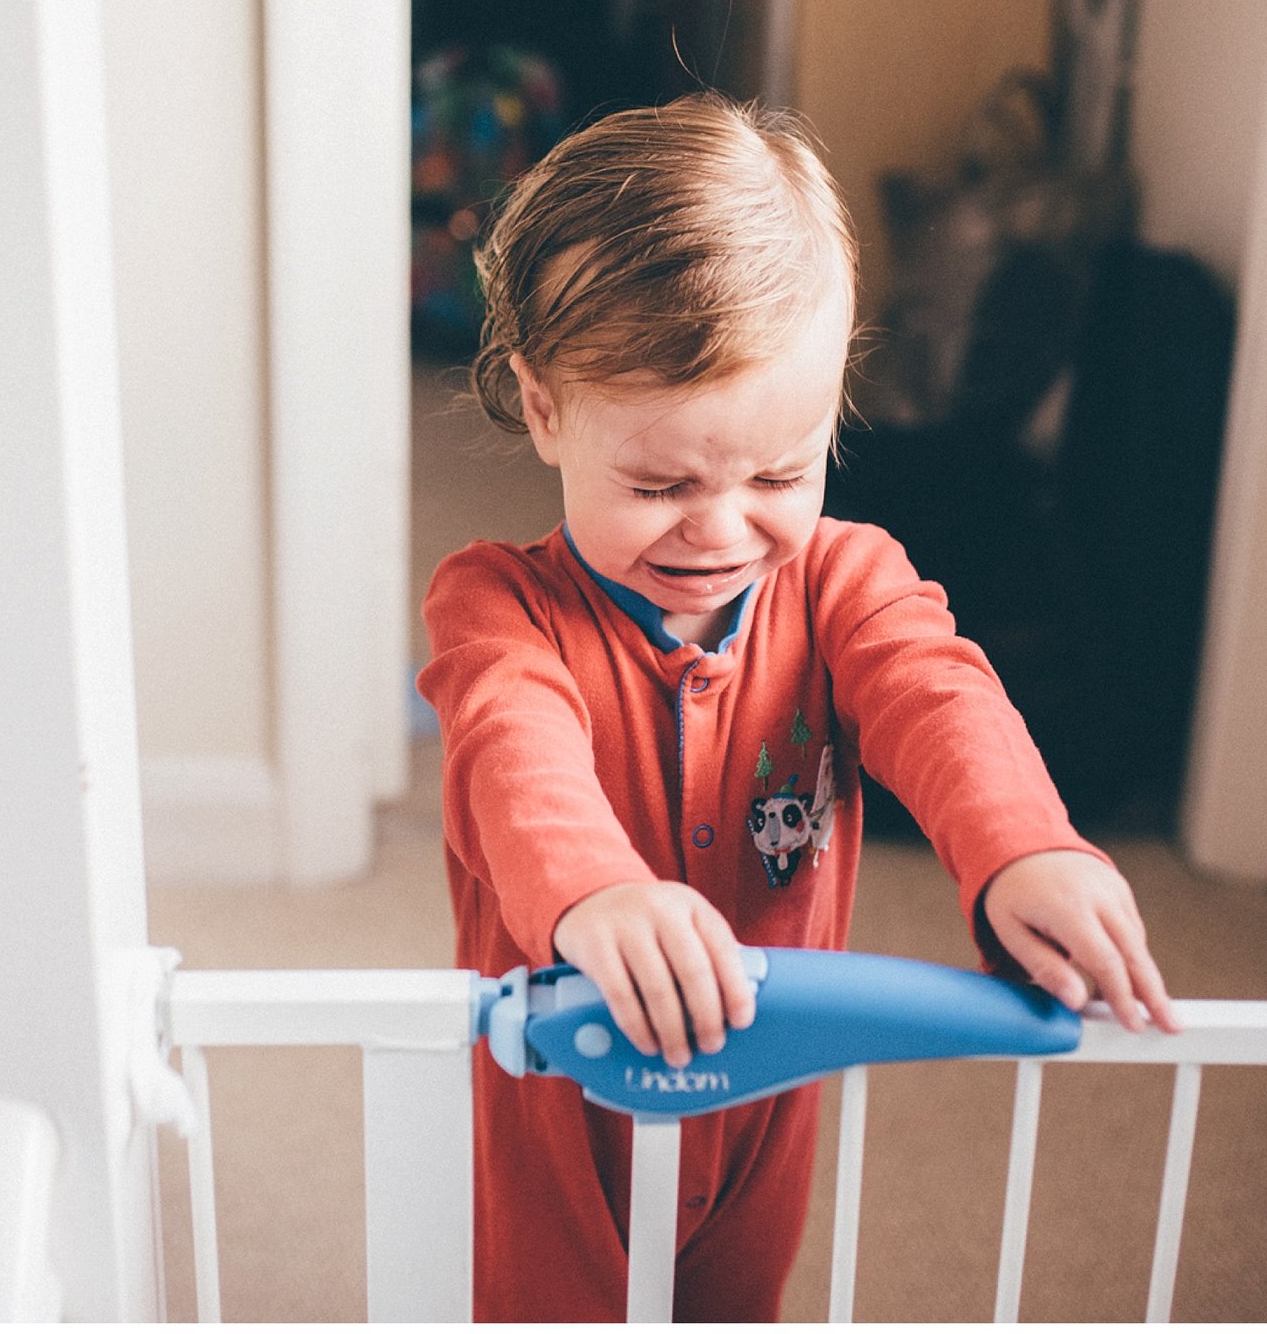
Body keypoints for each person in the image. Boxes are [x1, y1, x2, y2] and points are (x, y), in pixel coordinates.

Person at [418, 93, 1181, 1322]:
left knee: (736, 1301)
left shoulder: (843, 579)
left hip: (769, 1075)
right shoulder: (495, 605)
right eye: (660, 480)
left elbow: (939, 699)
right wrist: (597, 892)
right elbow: (514, 753)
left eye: (780, 471)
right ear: (545, 408)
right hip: (555, 1082)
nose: (721, 528)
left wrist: (1022, 847)